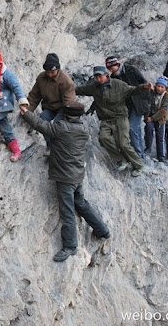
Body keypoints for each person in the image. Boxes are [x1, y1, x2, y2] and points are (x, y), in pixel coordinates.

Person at [20, 101, 111, 262]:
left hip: (64, 177)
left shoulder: (62, 128)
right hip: (77, 175)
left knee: (67, 211)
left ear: (66, 114)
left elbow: (41, 125)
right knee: (81, 203)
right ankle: (102, 230)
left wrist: (26, 113)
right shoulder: (83, 128)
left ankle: (70, 246)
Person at [76, 66, 153, 177]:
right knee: (103, 138)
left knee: (123, 143)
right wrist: (66, 88)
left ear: (106, 75)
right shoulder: (94, 87)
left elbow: (132, 90)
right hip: (106, 119)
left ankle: (139, 165)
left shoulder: (118, 84)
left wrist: (144, 87)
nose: (98, 79)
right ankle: (122, 159)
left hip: (120, 117)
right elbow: (80, 90)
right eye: (96, 76)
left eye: (100, 76)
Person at [25, 53, 77, 156]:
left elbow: (69, 102)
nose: (49, 74)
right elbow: (34, 96)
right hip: (49, 107)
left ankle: (59, 148)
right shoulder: (41, 78)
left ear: (58, 69)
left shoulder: (66, 81)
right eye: (47, 72)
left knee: (57, 126)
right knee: (43, 120)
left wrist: (68, 117)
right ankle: (50, 146)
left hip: (63, 108)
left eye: (52, 72)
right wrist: (27, 111)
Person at [104, 56, 149, 159]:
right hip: (127, 105)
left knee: (132, 128)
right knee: (136, 129)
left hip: (138, 103)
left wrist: (145, 100)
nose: (110, 70)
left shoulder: (131, 70)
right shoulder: (114, 78)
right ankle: (141, 155)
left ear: (116, 64)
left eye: (111, 67)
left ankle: (137, 155)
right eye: (109, 68)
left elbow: (144, 83)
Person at [144, 76, 168, 162]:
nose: (159, 88)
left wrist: (152, 118)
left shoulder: (166, 97)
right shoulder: (151, 93)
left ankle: (161, 155)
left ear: (165, 88)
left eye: (162, 87)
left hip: (160, 119)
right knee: (148, 130)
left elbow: (163, 111)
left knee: (160, 136)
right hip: (150, 115)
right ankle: (148, 147)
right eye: (158, 86)